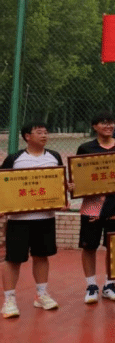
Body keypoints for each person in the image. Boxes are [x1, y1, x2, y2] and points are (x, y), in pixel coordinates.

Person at [1, 122, 64, 318]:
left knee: (41, 256)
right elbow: (2, 184)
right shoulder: (15, 159)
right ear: (27, 136)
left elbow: (60, 183)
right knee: (13, 259)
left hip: (45, 218)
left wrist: (63, 198)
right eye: (39, 132)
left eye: (46, 132)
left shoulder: (54, 157)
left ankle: (41, 295)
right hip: (18, 220)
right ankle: (9, 300)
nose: (44, 135)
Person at [75, 111, 115, 305]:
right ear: (94, 126)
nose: (108, 126)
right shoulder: (85, 148)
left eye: (111, 122)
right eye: (103, 123)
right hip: (92, 203)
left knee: (114, 246)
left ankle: (109, 285)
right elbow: (78, 175)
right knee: (89, 246)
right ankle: (91, 286)